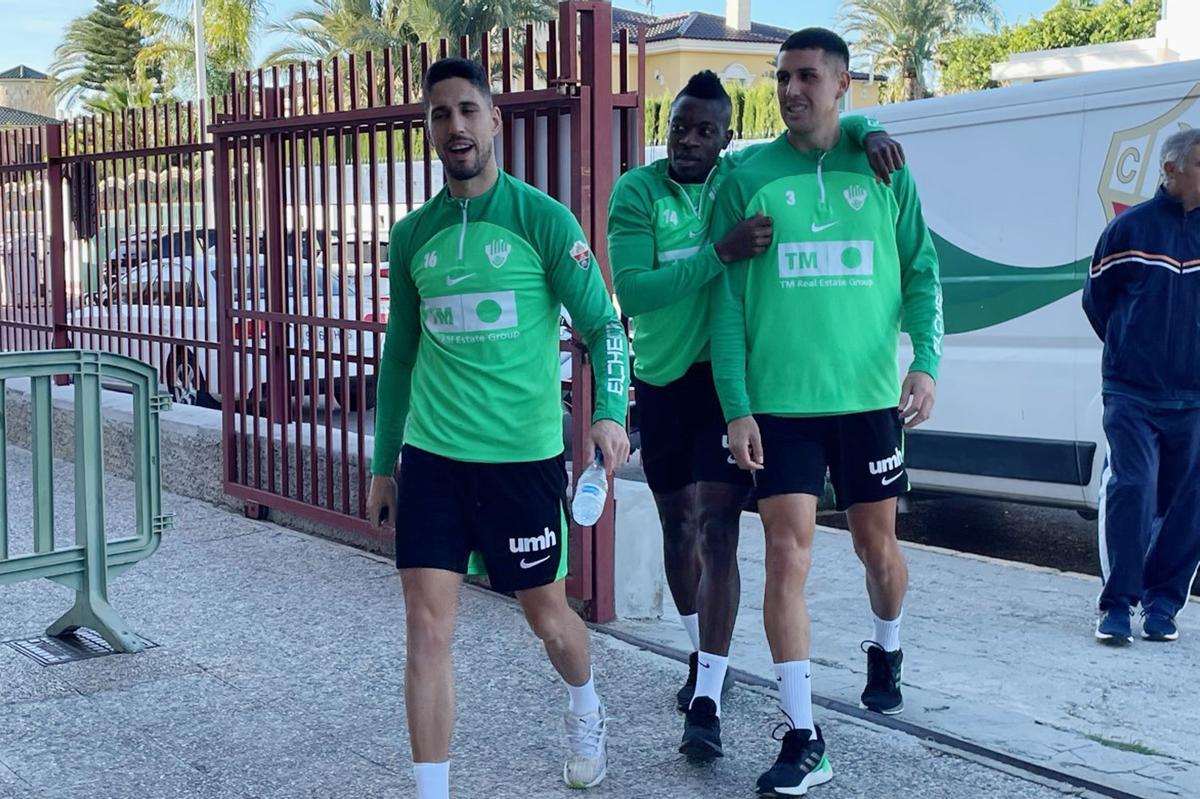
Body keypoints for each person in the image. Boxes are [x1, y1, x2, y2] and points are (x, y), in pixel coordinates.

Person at [606, 69, 906, 763]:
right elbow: (638, 294)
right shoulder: (637, 192)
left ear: (725, 139)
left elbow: (815, 134)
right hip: (662, 382)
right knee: (676, 531)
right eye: (680, 124)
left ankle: (708, 693)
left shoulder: (738, 177)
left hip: (725, 382)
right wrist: (721, 252)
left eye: (705, 129)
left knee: (719, 532)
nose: (688, 139)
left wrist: (867, 126)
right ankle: (698, 653)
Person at [365, 57, 632, 798]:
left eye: (467, 111)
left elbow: (605, 330)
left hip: (522, 461)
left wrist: (610, 414)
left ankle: (585, 705)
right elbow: (400, 354)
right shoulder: (411, 235)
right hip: (433, 459)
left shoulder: (543, 221)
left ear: (494, 122)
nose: (455, 126)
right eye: (439, 114)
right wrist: (386, 463)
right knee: (426, 626)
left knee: (547, 616)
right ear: (427, 131)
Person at [708, 28, 942, 796]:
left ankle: (887, 643)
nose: (791, 90)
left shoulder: (882, 166)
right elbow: (730, 302)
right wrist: (737, 407)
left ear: (844, 86)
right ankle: (805, 734)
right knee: (786, 552)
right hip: (783, 408)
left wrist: (927, 363)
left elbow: (921, 270)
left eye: (808, 76)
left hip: (870, 400)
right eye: (782, 77)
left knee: (880, 554)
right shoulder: (748, 173)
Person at [1083, 127, 1200, 646]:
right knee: (1133, 486)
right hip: (1131, 393)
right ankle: (1117, 605)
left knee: (1188, 504)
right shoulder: (1127, 230)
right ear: (1172, 171)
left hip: (1194, 398)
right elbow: (1098, 303)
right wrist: (1132, 352)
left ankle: (1163, 605)